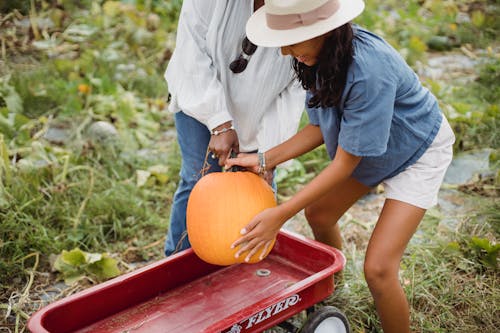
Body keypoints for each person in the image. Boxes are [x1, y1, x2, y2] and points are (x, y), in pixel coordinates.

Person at [225, 0, 455, 332]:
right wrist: (263, 159)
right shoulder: (323, 57)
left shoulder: (368, 70)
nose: (285, 52)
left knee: (379, 269)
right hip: (369, 146)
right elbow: (319, 127)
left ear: (322, 29)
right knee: (319, 213)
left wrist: (281, 213)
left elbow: (345, 163)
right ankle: (335, 290)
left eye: (292, 40)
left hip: (417, 148)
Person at [163, 0, 306, 256]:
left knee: (256, 184)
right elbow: (191, 50)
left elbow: (292, 88)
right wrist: (219, 122)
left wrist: (269, 154)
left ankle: (247, 265)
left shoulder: (303, 9)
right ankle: (176, 266)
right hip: (200, 94)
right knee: (198, 180)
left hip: (261, 106)